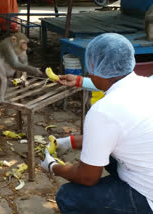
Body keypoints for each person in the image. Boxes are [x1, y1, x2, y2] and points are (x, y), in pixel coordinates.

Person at [41, 33, 153, 213]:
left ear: (93, 68)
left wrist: (53, 167)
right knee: (105, 155)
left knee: (68, 196)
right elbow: (116, 133)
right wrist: (71, 141)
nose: (89, 72)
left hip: (148, 197)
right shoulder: (147, 84)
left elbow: (87, 178)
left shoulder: (103, 111)